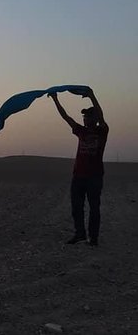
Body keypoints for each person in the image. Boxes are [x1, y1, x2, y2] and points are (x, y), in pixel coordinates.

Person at [48, 90, 109, 246]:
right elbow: (66, 117)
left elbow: (101, 115)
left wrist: (92, 96)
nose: (85, 118)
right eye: (84, 116)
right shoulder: (80, 130)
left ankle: (93, 238)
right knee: (76, 207)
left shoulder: (101, 130)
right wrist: (55, 99)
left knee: (94, 208)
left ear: (95, 118)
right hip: (79, 175)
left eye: (88, 116)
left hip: (94, 176)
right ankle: (80, 234)